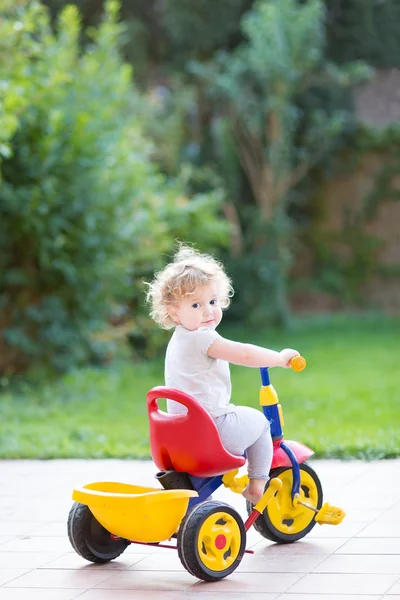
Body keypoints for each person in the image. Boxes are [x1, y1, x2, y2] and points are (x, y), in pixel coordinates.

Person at [146, 244, 300, 504]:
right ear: (173, 311)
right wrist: (278, 358)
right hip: (211, 430)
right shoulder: (203, 338)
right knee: (262, 424)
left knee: (243, 419)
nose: (208, 311)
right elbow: (244, 354)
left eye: (213, 302)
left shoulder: (179, 338)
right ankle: (256, 485)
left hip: (178, 436)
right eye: (196, 304)